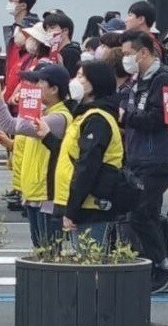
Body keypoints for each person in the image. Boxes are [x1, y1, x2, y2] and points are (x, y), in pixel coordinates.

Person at [120, 30, 168, 292]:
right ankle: (153, 265)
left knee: (141, 214)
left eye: (127, 54)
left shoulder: (164, 79)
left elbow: (163, 118)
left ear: (143, 52)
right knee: (145, 213)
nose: (125, 59)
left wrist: (126, 117)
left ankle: (163, 265)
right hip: (139, 156)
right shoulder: (138, 80)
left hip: (158, 158)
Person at [0, 63, 72, 247]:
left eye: (39, 83)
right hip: (34, 192)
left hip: (47, 195)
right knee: (39, 249)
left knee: (48, 251)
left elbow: (16, 126)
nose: (33, 87)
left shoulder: (58, 117)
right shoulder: (44, 113)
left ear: (54, 89)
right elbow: (12, 126)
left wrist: (25, 107)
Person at [50, 61, 123, 248]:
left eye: (82, 76)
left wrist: (72, 210)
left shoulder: (97, 119)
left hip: (90, 206)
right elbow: (72, 155)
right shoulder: (85, 115)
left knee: (90, 264)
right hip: (81, 203)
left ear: (95, 84)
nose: (76, 80)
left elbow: (87, 166)